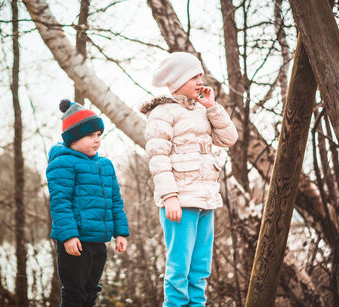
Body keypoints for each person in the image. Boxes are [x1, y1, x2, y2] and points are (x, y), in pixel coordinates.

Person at [140, 52, 238, 306]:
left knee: (200, 271)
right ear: (178, 78)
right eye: (194, 76)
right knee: (178, 271)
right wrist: (170, 196)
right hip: (179, 203)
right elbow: (158, 159)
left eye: (200, 75)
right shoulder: (162, 113)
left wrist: (212, 107)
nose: (200, 81)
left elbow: (229, 139)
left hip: (206, 200)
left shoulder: (203, 111)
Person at [46, 99, 130, 307]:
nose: (97, 140)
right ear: (73, 138)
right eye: (90, 135)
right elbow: (60, 203)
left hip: (98, 241)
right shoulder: (63, 163)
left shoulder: (105, 165)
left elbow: (115, 202)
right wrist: (69, 236)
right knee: (75, 292)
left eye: (99, 135)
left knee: (92, 290)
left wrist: (120, 232)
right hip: (76, 242)